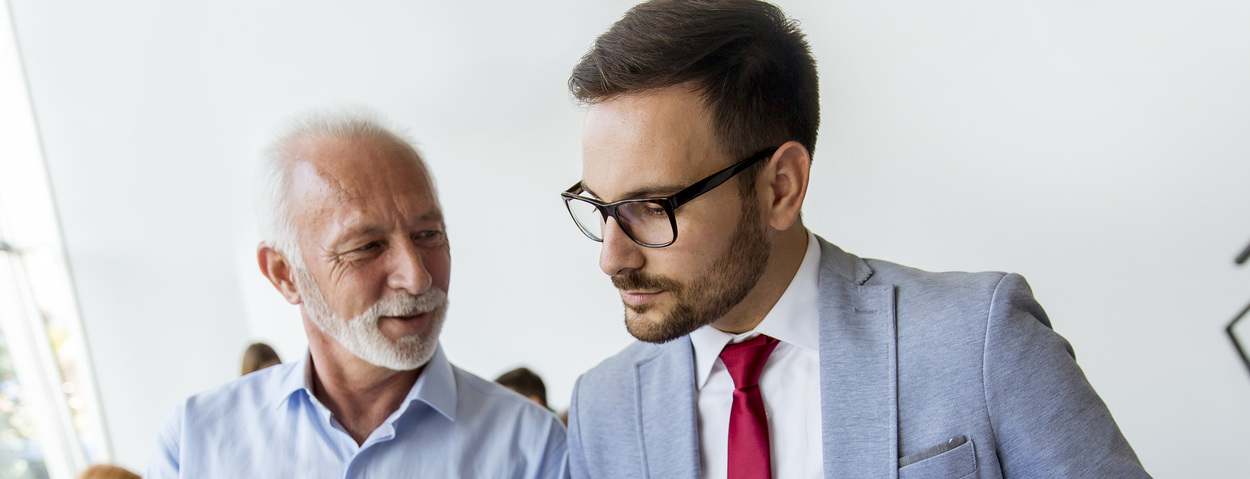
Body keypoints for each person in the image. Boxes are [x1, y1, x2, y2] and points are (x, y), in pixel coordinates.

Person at [559, 1, 1149, 478]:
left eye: (650, 207)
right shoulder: (602, 411)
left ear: (781, 188)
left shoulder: (981, 341)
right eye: (599, 206)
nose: (611, 256)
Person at [148, 110, 567, 478]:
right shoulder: (194, 443)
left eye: (428, 235)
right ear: (284, 274)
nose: (417, 278)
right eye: (366, 247)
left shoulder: (533, 449)